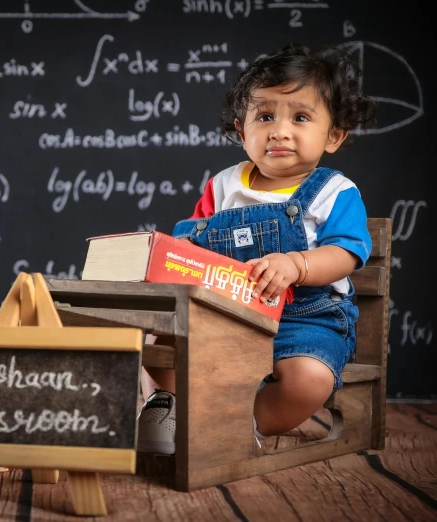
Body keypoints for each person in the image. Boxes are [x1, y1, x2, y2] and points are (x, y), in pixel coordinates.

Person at [137, 42, 378, 455]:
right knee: (161, 349)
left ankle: (241, 422)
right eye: (264, 116)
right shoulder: (223, 186)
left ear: (333, 135)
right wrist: (171, 255)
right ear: (241, 129)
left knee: (309, 379)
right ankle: (171, 405)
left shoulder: (334, 192)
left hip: (307, 318)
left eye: (300, 117)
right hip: (224, 312)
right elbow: (194, 243)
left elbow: (347, 253)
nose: (279, 131)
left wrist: (298, 264)